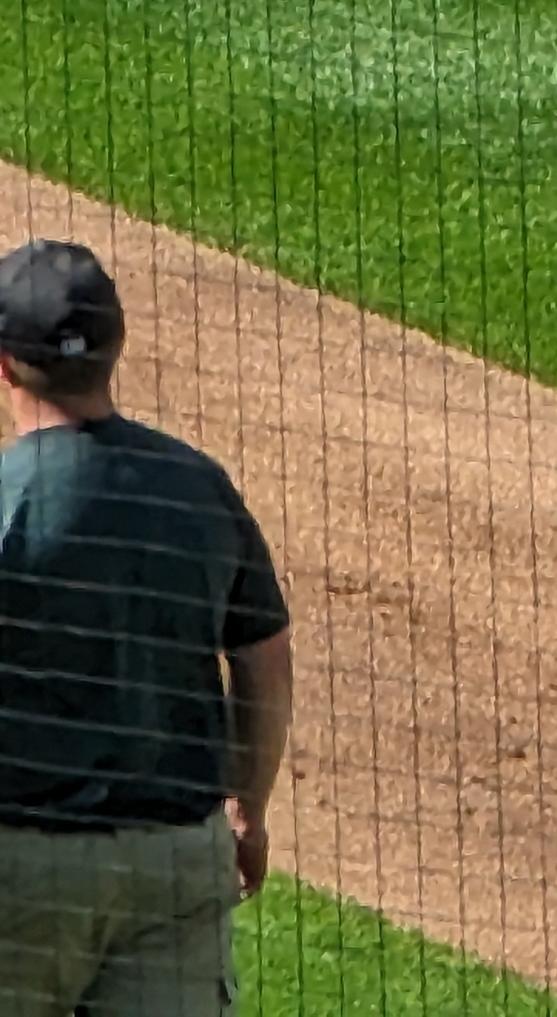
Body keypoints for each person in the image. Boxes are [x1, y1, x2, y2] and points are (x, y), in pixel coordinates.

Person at [0, 238, 295, 1012]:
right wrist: (247, 807)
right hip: (175, 865)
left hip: (20, 869)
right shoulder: (197, 488)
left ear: (3, 365)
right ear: (115, 348)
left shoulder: (4, 502)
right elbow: (263, 652)